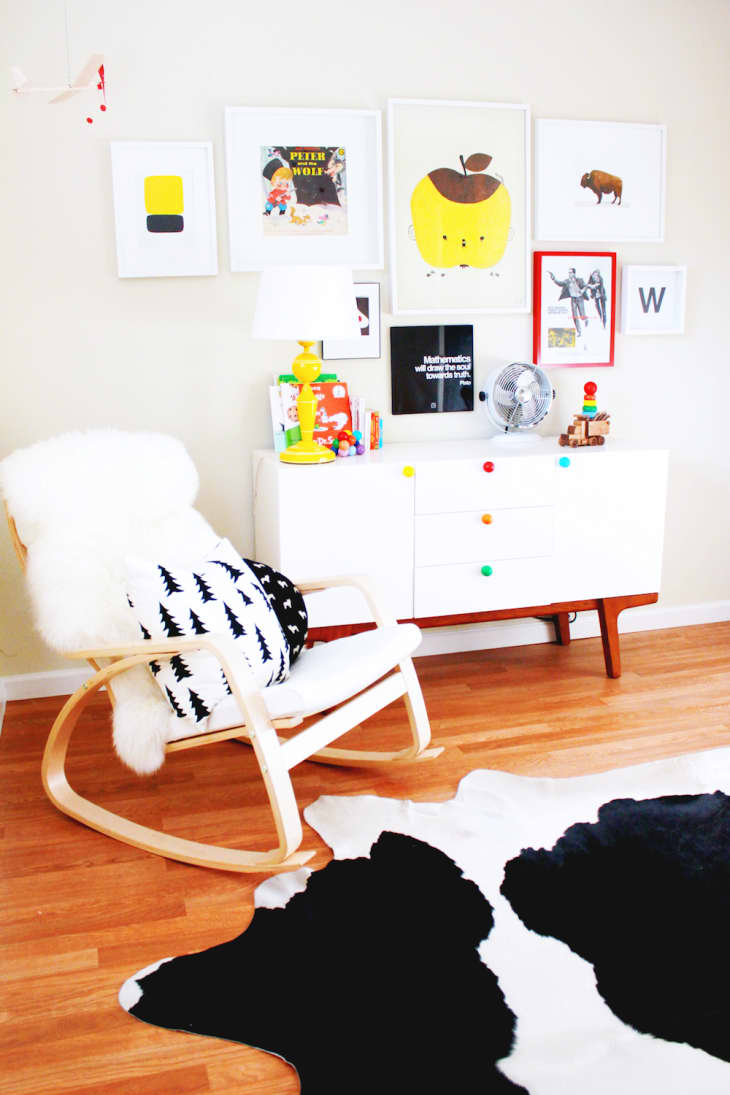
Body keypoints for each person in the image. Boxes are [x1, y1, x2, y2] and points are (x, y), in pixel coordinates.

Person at [549, 267, 589, 337]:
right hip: (573, 300)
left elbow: (586, 286)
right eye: (569, 272)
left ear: (574, 273)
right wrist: (553, 278)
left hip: (580, 299)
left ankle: (586, 319)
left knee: (582, 315)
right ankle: (579, 331)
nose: (569, 274)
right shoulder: (567, 281)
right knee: (574, 316)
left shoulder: (580, 280)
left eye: (570, 272)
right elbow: (560, 283)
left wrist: (582, 290)